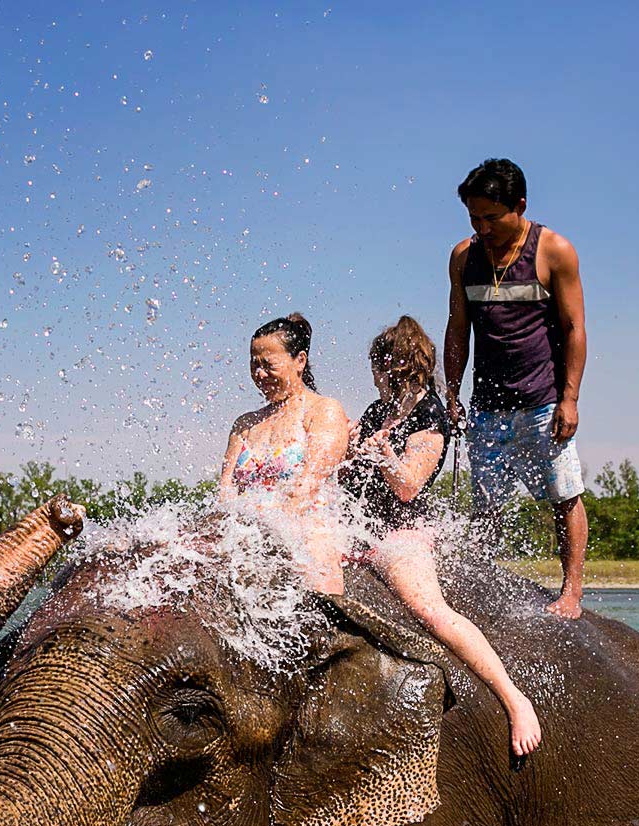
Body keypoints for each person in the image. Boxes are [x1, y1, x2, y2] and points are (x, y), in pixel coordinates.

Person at [339, 316, 542, 759]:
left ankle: (513, 699)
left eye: (377, 369)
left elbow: (408, 484)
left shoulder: (430, 414)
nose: (373, 379)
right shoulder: (379, 412)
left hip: (401, 534)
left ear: (397, 368)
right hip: (355, 528)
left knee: (431, 613)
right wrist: (348, 448)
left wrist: (388, 456)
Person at [444, 158, 589, 618]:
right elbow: (457, 326)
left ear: (519, 206)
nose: (481, 226)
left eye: (490, 217)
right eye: (473, 217)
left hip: (544, 402)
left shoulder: (554, 251)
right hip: (487, 406)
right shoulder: (463, 257)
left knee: (563, 497)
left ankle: (571, 592)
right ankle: (478, 588)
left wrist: (570, 398)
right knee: (485, 506)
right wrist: (451, 391)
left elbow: (574, 328)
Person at [218, 313, 352, 594]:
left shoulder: (323, 411)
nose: (259, 374)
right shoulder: (243, 425)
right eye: (254, 365)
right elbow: (225, 494)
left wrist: (264, 538)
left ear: (299, 361)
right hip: (247, 533)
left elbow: (307, 488)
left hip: (305, 530)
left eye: (269, 365)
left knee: (321, 596)